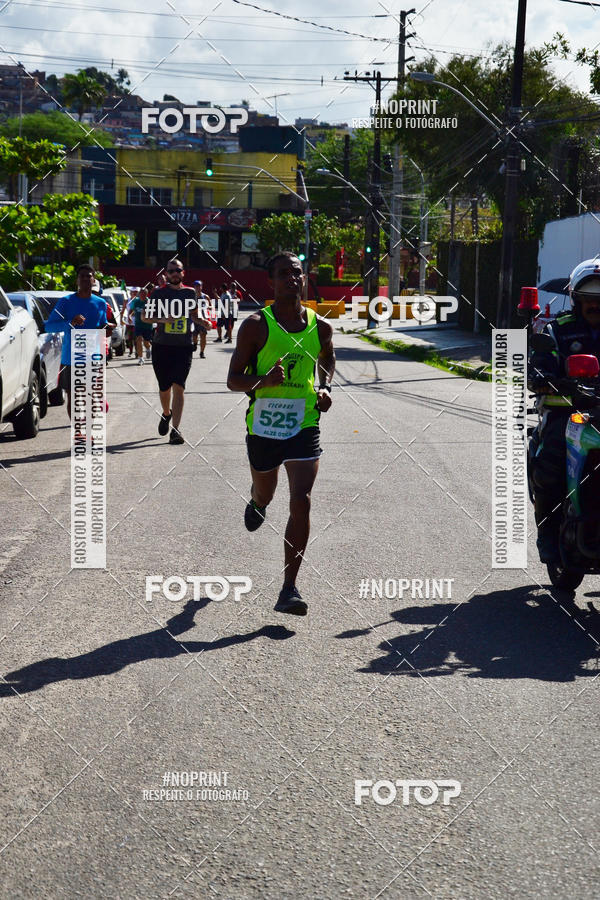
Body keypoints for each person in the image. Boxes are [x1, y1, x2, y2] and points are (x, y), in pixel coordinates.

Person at [227, 251, 335, 615]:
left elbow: (328, 360)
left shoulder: (320, 327)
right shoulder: (256, 325)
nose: (293, 278)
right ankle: (257, 501)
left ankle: (289, 587)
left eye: (298, 273)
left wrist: (326, 389)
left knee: (301, 499)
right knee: (267, 491)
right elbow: (232, 380)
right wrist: (263, 380)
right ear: (270, 282)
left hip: (304, 423)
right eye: (284, 274)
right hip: (264, 427)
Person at [529, 257, 600, 562]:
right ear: (576, 299)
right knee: (551, 464)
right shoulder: (559, 329)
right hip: (569, 412)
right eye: (590, 300)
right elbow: (540, 363)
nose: (596, 307)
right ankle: (547, 532)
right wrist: (544, 377)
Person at [142, 259, 210, 445]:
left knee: (179, 386)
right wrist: (164, 319)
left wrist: (203, 321)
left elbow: (194, 314)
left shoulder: (190, 293)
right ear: (166, 273)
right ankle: (166, 414)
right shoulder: (158, 294)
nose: (174, 273)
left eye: (177, 270)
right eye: (171, 271)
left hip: (183, 346)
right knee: (165, 387)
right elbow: (145, 317)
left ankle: (176, 430)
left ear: (183, 273)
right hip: (162, 346)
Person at [45, 263, 113, 420]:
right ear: (77, 280)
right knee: (75, 398)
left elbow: (102, 326)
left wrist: (107, 330)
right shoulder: (66, 302)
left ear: (93, 280)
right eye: (81, 276)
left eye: (88, 276)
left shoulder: (100, 303)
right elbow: (49, 326)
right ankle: (78, 431)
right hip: (71, 358)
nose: (85, 279)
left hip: (94, 357)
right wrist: (70, 322)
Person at [130, 287, 153, 363]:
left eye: (144, 294)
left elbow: (154, 313)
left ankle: (148, 348)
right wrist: (130, 316)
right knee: (139, 339)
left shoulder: (150, 302)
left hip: (148, 325)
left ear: (146, 294)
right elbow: (132, 310)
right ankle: (140, 358)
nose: (142, 295)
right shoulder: (136, 302)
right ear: (139, 294)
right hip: (138, 325)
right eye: (141, 294)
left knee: (146, 342)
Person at [192, 279, 210, 358]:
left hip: (203, 319)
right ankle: (195, 344)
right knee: (194, 335)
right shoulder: (191, 296)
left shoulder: (205, 297)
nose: (197, 287)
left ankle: (202, 352)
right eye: (196, 286)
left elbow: (210, 306)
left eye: (199, 286)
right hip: (194, 319)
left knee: (203, 336)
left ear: (201, 287)